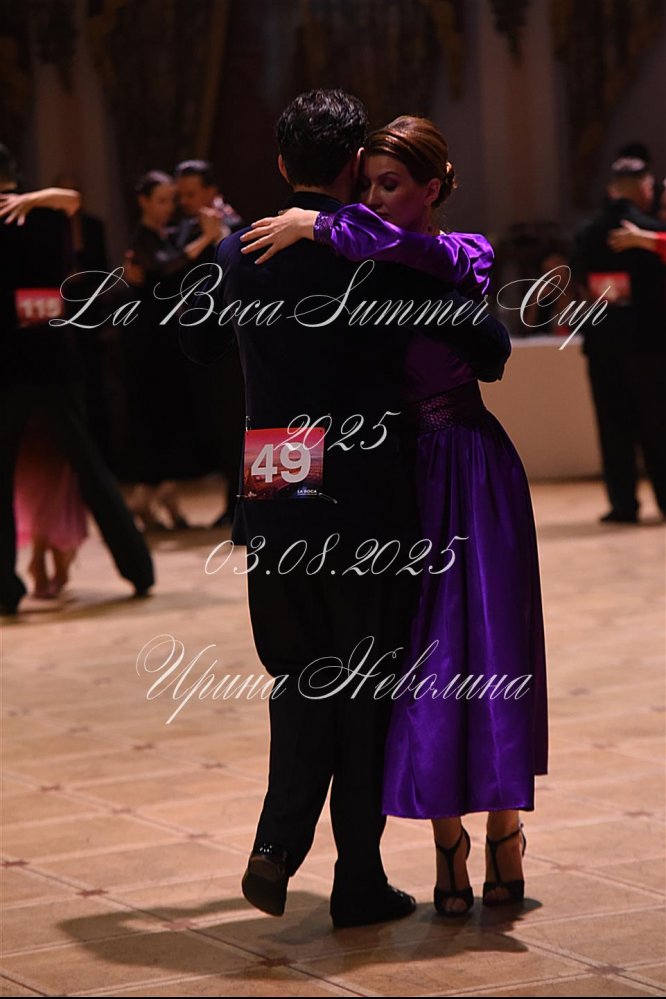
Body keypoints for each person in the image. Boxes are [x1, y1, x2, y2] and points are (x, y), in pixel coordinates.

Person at [182, 90, 511, 928]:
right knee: (364, 686)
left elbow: (193, 342)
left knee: (298, 672)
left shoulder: (242, 250)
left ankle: (276, 841)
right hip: (365, 489)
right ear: (353, 165)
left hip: (278, 474)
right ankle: (358, 880)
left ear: (281, 163)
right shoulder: (380, 254)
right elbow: (488, 344)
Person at [0, 148, 154, 614]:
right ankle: (138, 569)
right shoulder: (48, 215)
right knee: (90, 470)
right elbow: (71, 200)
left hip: (8, 366)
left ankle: (5, 592)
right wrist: (35, 198)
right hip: (55, 360)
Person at [124, 170, 223, 530]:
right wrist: (205, 239)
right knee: (154, 419)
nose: (170, 207)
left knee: (172, 418)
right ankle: (144, 498)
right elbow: (165, 268)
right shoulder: (142, 237)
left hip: (169, 342)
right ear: (144, 202)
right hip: (148, 344)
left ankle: (165, 495)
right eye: (162, 200)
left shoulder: (168, 235)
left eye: (172, 200)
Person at [571, 158, 666, 524]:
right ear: (642, 187)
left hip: (603, 342)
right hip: (651, 343)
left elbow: (579, 277)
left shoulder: (587, 233)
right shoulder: (652, 231)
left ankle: (623, 505)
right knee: (658, 424)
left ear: (612, 188)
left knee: (612, 425)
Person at [173, 160, 245, 530]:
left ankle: (240, 507)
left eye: (191, 193)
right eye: (181, 194)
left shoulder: (235, 226)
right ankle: (232, 504)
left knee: (235, 426)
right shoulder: (184, 229)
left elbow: (242, 274)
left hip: (230, 347)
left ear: (211, 191)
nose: (184, 201)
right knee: (217, 427)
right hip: (197, 346)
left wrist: (218, 236)